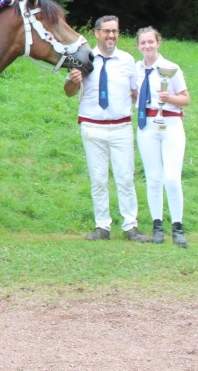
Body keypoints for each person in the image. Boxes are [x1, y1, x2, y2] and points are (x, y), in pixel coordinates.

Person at [65, 15, 152, 243]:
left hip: (121, 127)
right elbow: (69, 92)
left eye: (115, 31)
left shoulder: (127, 60)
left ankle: (131, 226)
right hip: (92, 127)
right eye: (106, 31)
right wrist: (73, 80)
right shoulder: (84, 58)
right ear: (97, 33)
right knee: (98, 179)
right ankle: (102, 226)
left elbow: (137, 93)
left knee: (125, 178)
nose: (111, 35)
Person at [135, 27, 191, 247]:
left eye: (151, 42)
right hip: (147, 125)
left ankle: (178, 227)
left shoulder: (171, 68)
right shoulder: (136, 69)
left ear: (158, 43)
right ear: (138, 46)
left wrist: (170, 99)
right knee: (153, 178)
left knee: (172, 178)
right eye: (143, 43)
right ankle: (157, 226)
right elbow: (134, 93)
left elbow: (186, 98)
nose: (147, 46)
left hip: (171, 123)